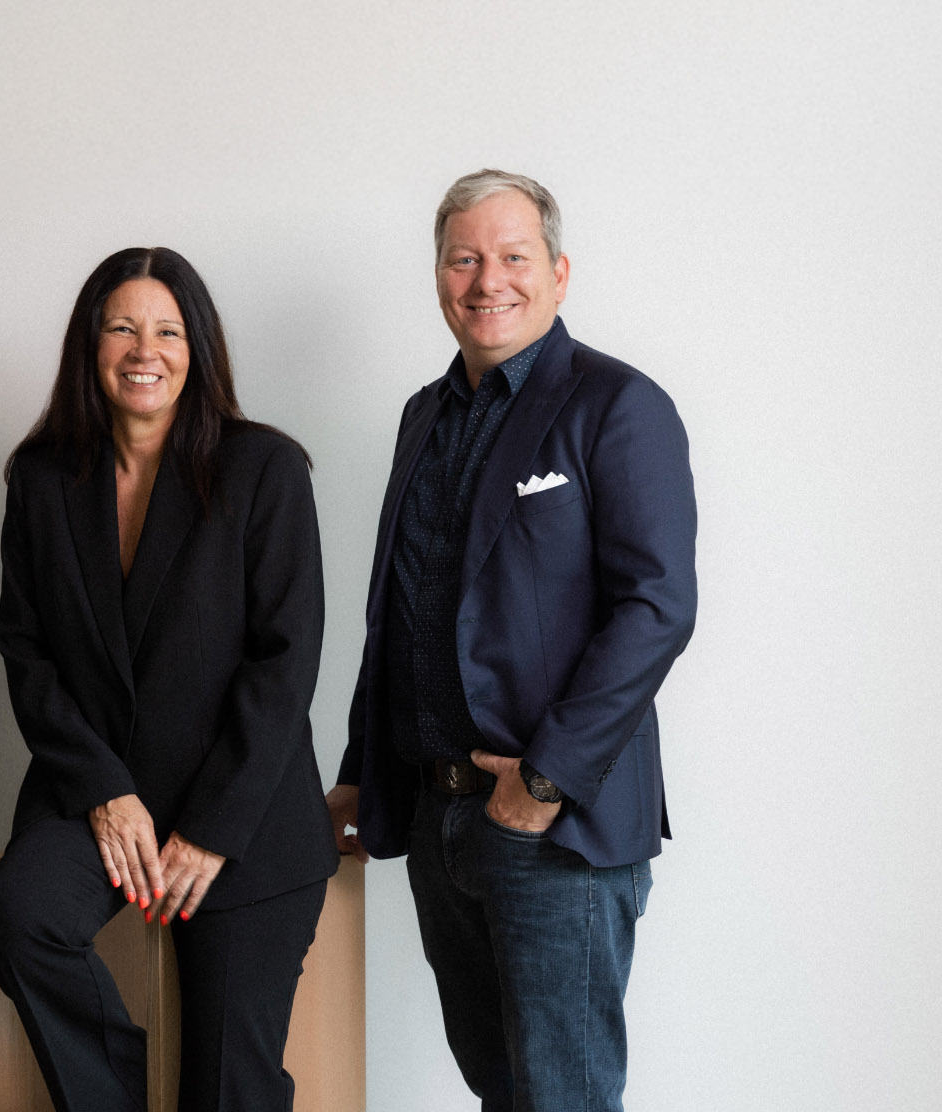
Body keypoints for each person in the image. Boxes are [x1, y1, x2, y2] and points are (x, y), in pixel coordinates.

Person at [327, 169, 697, 1111]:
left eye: (513, 257)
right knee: (502, 1094)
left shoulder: (618, 405)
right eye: (464, 259)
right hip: (438, 813)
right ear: (440, 278)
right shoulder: (425, 415)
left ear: (559, 273)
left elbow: (657, 608)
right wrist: (363, 772)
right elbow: (398, 612)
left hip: (555, 825)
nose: (488, 279)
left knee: (561, 1099)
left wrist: (544, 782)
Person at [0, 246, 335, 1111]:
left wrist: (211, 829)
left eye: (168, 330)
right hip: (103, 795)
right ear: (89, 345)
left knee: (229, 1088)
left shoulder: (265, 469)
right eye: (123, 327)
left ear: (197, 347)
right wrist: (102, 788)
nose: (146, 349)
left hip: (243, 814)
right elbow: (25, 650)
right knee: (15, 921)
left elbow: (287, 659)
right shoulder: (42, 477)